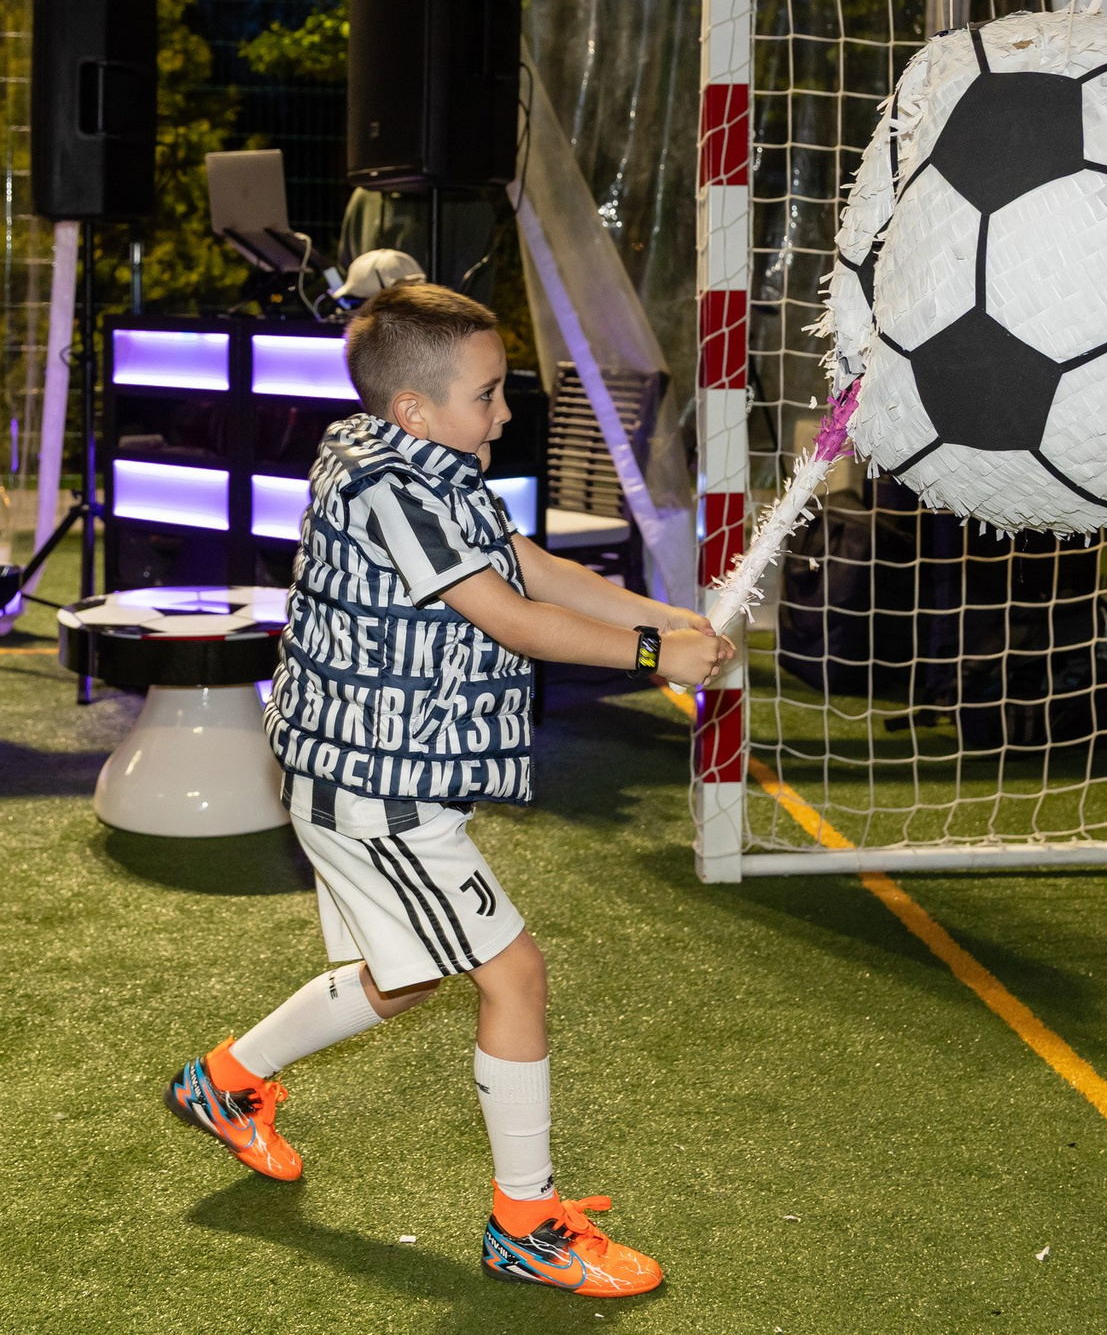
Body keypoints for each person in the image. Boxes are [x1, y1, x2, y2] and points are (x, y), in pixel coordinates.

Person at [163, 281, 732, 1300]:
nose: (504, 414)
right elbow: (510, 617)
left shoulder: (426, 460)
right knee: (513, 974)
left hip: (368, 775)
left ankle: (224, 1083)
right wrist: (653, 653)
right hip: (369, 788)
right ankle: (525, 1224)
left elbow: (533, 566)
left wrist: (662, 614)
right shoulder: (395, 490)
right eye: (488, 394)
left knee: (407, 977)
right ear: (413, 410)